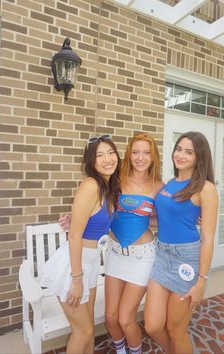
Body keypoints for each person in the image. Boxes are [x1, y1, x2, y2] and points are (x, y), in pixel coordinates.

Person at [40, 134, 121, 354]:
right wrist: (77, 279)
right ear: (91, 162)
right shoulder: (91, 184)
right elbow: (74, 236)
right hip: (74, 266)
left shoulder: (108, 188)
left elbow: (93, 222)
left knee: (88, 329)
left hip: (91, 263)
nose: (107, 159)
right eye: (99, 155)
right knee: (82, 331)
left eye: (111, 153)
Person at [144, 131, 218, 354]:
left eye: (189, 152)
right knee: (153, 325)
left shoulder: (206, 188)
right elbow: (163, 222)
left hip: (186, 261)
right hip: (162, 256)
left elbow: (208, 238)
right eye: (179, 149)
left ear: (199, 157)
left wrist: (202, 281)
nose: (181, 155)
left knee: (176, 330)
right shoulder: (169, 184)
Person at [105, 132, 163, 354]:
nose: (140, 157)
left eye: (146, 153)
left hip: (141, 256)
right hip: (115, 253)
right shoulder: (117, 178)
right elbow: (98, 206)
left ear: (153, 156)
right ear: (129, 154)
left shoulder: (159, 186)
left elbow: (161, 219)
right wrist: (75, 218)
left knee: (126, 319)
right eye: (136, 152)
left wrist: (187, 218)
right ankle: (121, 351)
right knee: (110, 318)